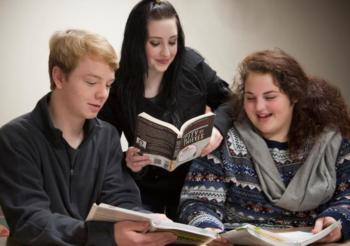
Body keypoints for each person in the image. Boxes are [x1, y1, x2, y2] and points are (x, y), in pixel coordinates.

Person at [0, 29, 177, 246]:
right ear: (58, 77)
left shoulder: (108, 136)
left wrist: (147, 220)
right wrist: (105, 235)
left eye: (108, 84)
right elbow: (31, 223)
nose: (103, 94)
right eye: (92, 82)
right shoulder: (15, 138)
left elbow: (120, 198)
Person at [178, 48, 350, 245]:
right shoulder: (222, 142)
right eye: (250, 98)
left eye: (270, 97)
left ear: (293, 96)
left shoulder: (331, 142)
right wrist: (208, 229)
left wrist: (338, 221)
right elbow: (197, 203)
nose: (259, 107)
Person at [99, 0, 232, 220]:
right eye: (155, 43)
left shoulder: (191, 65)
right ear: (137, 42)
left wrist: (217, 127)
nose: (166, 52)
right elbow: (104, 145)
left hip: (194, 183)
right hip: (144, 188)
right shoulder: (118, 85)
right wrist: (128, 159)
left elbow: (230, 101)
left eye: (173, 41)